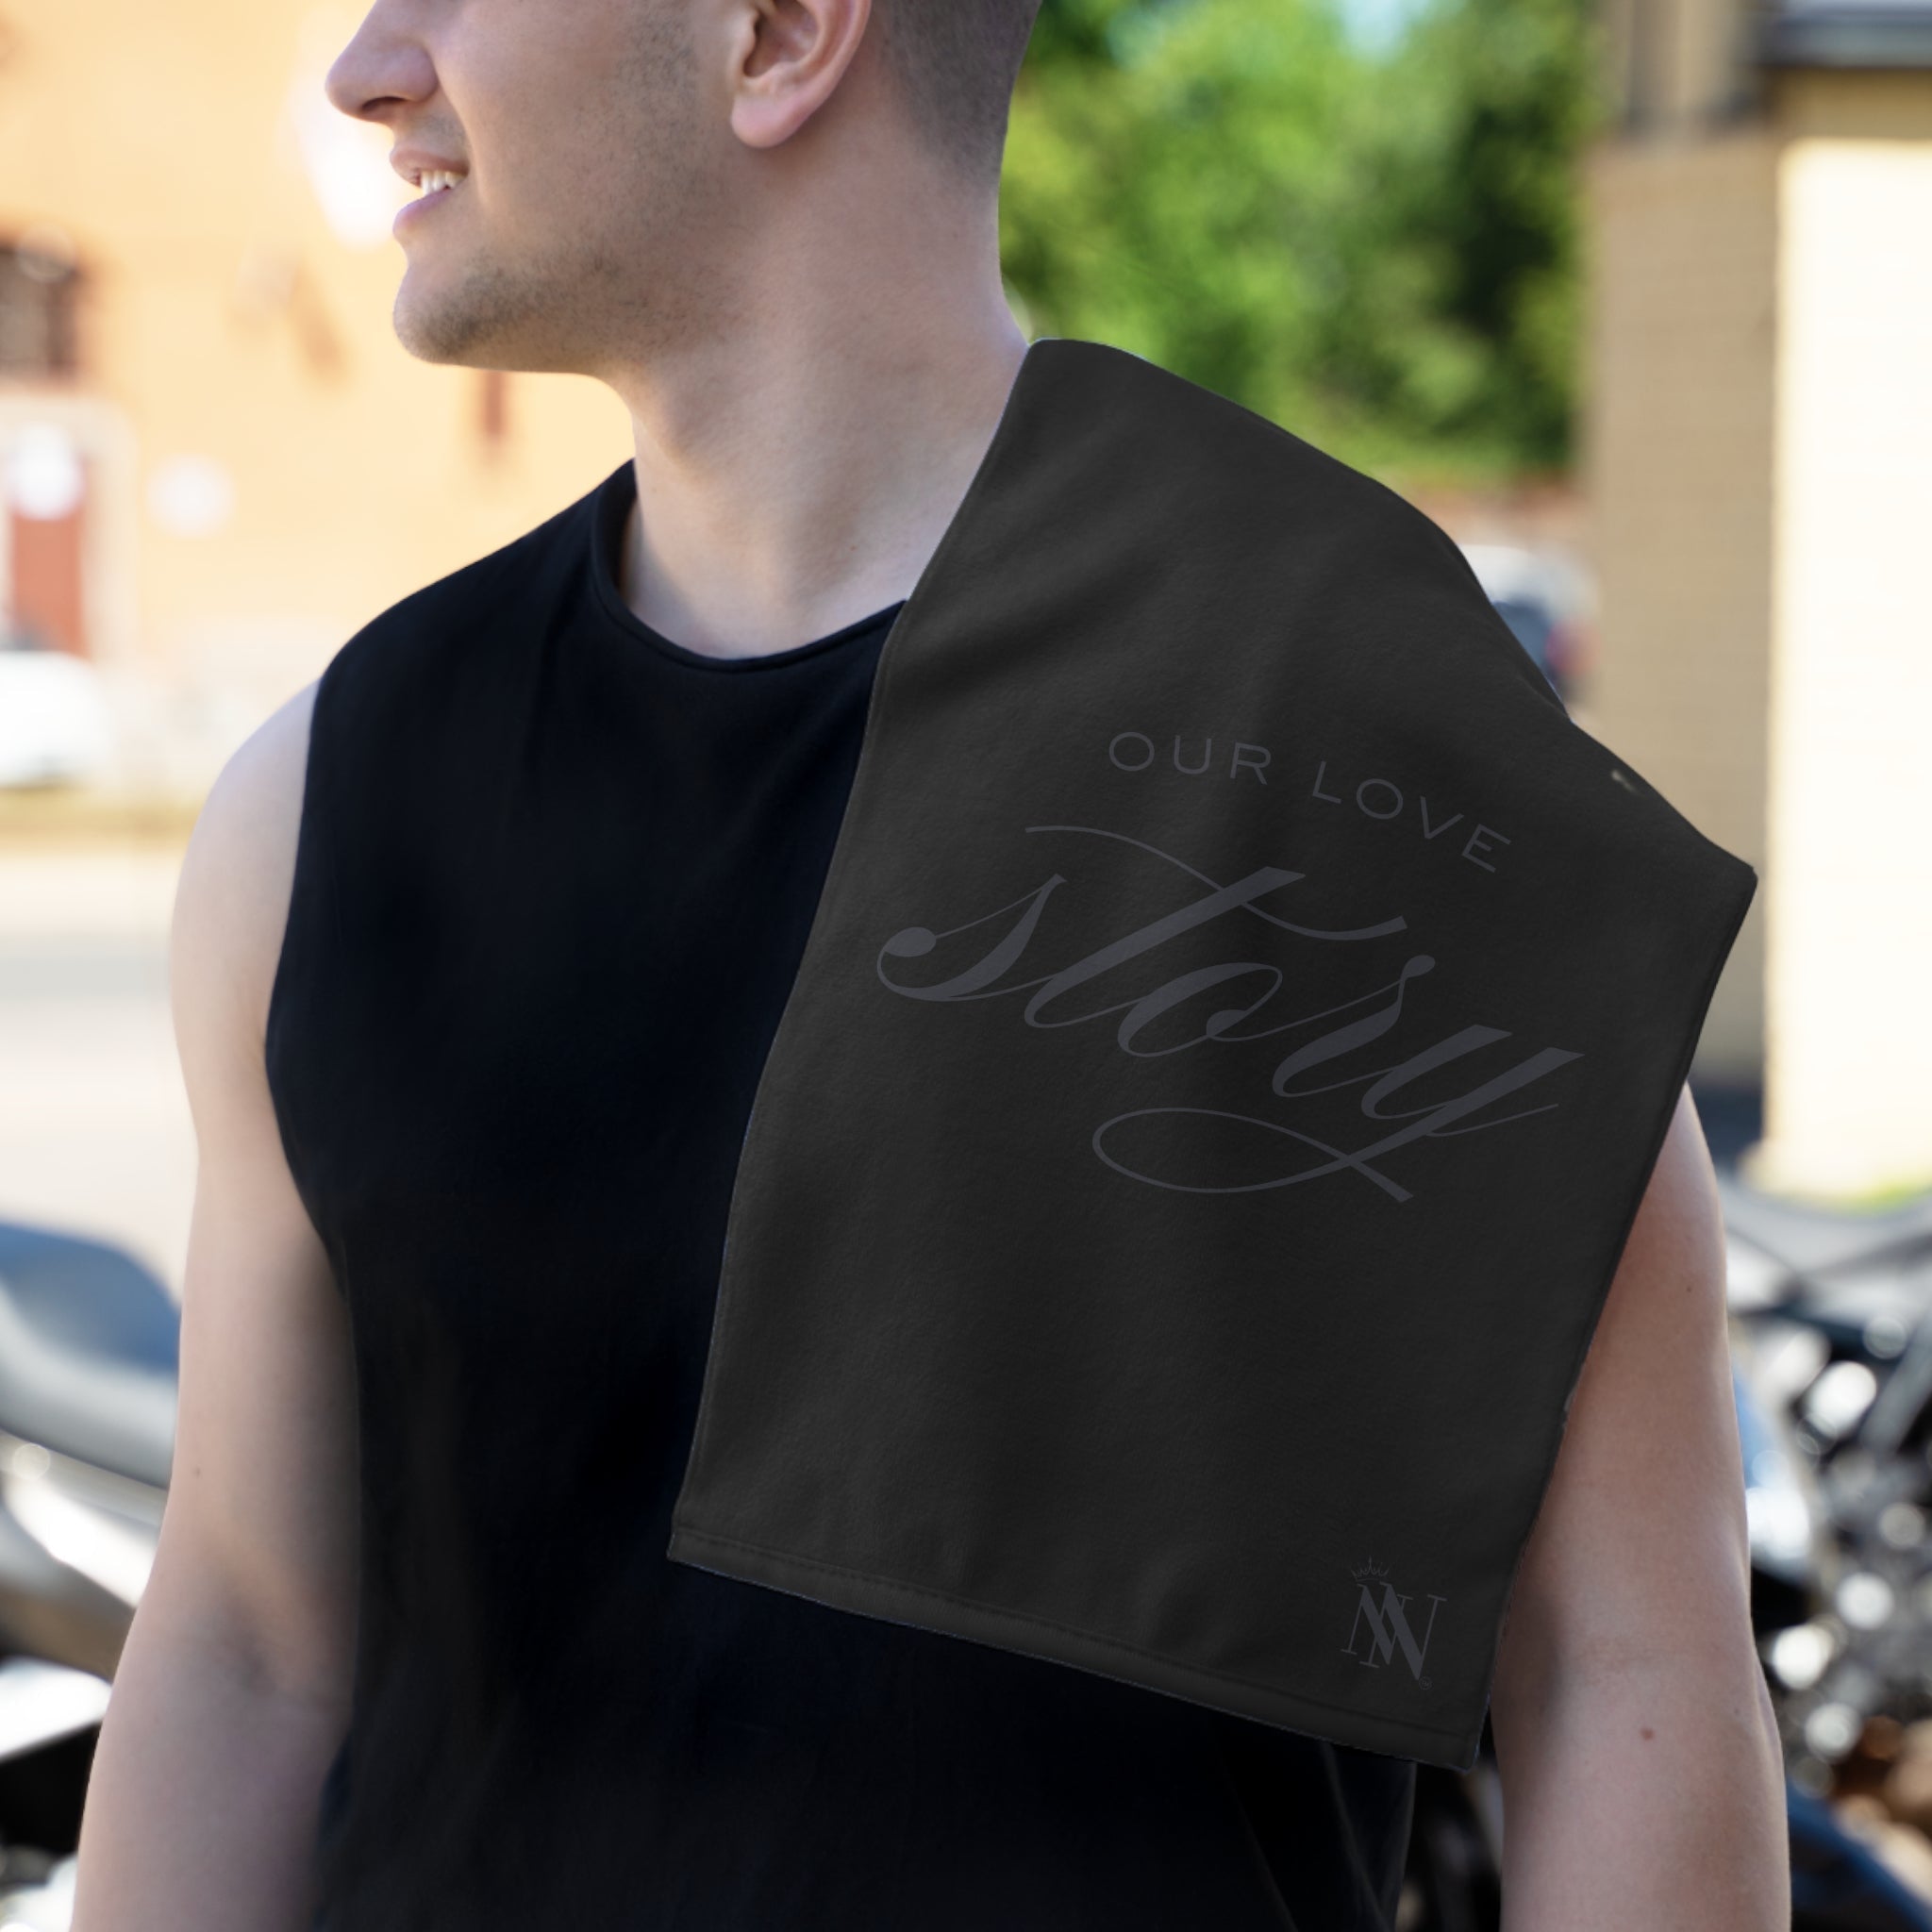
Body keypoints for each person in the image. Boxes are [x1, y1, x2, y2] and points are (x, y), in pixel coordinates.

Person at [70, 0, 1790, 1924]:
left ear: (779, 35)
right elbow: (246, 1646)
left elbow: (1620, 1668)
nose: (371, 65)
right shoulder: (330, 799)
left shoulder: (1370, 742)